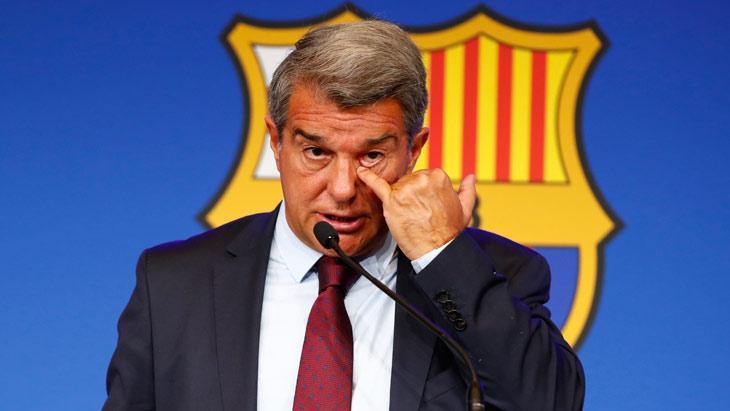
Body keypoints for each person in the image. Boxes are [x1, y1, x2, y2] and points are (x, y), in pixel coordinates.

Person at [103, 20, 584, 410]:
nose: (342, 188)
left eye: (372, 156)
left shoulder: (499, 273)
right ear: (276, 141)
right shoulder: (174, 284)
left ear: (413, 150)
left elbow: (550, 403)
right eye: (316, 152)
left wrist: (442, 254)